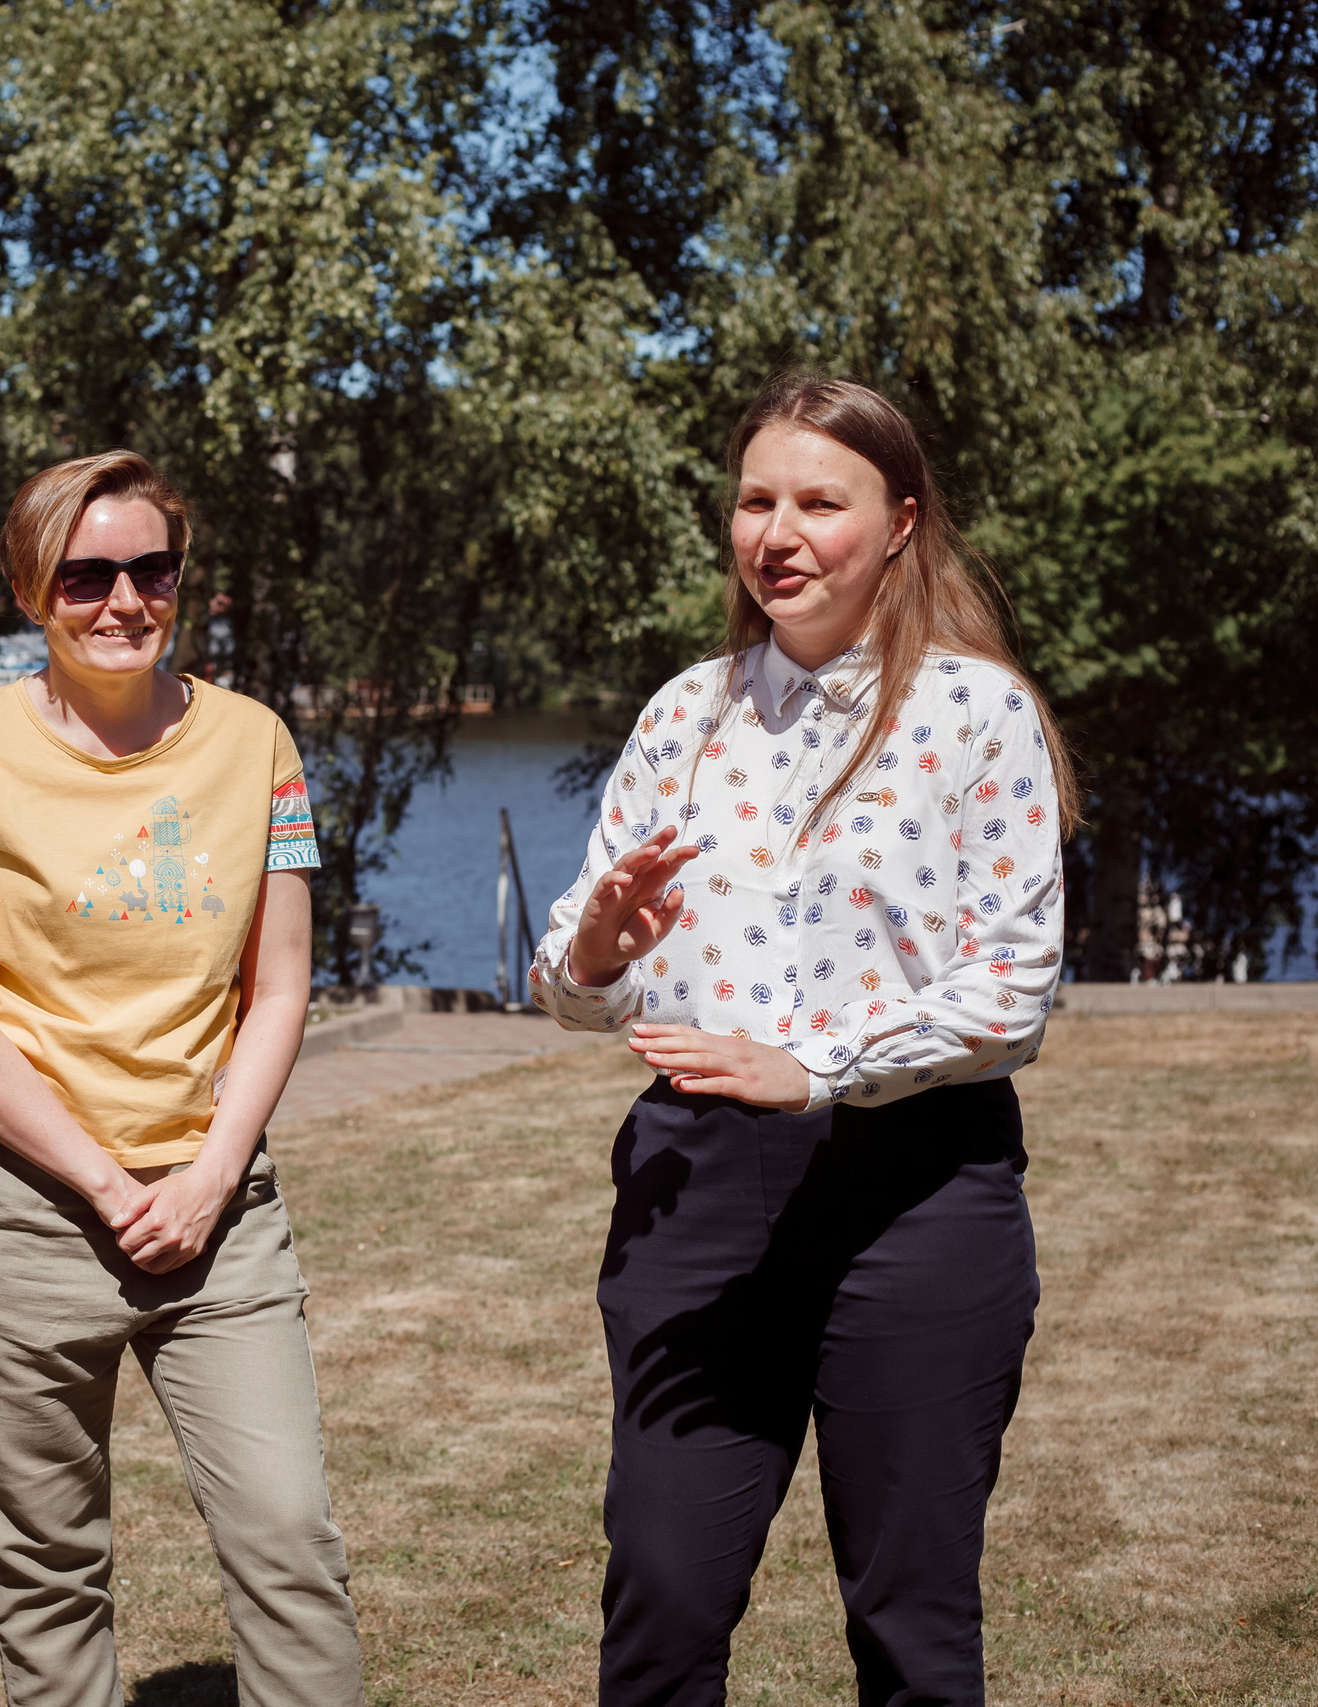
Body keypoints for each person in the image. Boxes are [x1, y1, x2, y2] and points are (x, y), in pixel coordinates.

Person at [530, 373, 1075, 1705]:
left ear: (897, 521)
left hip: (918, 1195)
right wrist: (599, 945)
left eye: (817, 502)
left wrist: (823, 1068)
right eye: (755, 499)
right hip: (696, 1192)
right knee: (660, 1592)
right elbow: (569, 974)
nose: (777, 531)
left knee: (911, 1620)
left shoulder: (976, 715)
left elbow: (1012, 982)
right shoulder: (683, 715)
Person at [0, 451, 366, 1707]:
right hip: (25, 1214)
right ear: (30, 585)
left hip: (220, 1216)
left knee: (287, 1542)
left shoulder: (256, 742)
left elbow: (278, 988)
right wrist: (107, 1184)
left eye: (149, 570)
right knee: (46, 1574)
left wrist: (210, 1176)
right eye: (84, 574)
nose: (121, 600)